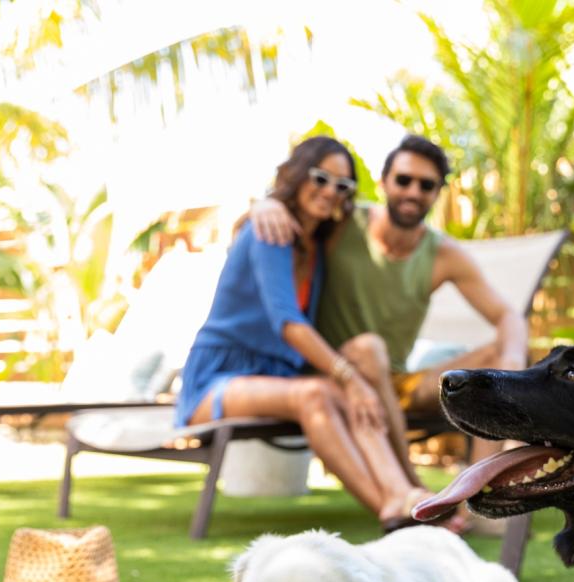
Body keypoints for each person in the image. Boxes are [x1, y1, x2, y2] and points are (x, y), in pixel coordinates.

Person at [174, 136, 450, 532]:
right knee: (320, 392)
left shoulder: (318, 243)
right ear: (299, 174)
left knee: (343, 388)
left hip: (278, 377)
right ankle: (393, 508)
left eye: (343, 186)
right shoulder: (269, 232)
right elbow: (287, 323)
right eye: (321, 178)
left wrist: (355, 380)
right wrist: (349, 376)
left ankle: (403, 495)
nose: (330, 191)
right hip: (217, 380)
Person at [250, 135, 528, 502]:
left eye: (426, 185)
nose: (413, 191)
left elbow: (507, 314)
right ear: (383, 183)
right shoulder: (342, 222)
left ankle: (479, 497)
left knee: (496, 361)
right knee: (369, 348)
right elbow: (290, 215)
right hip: (333, 375)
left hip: (396, 382)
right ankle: (415, 491)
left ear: (437, 193)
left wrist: (510, 361)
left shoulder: (444, 253)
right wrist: (264, 205)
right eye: (403, 180)